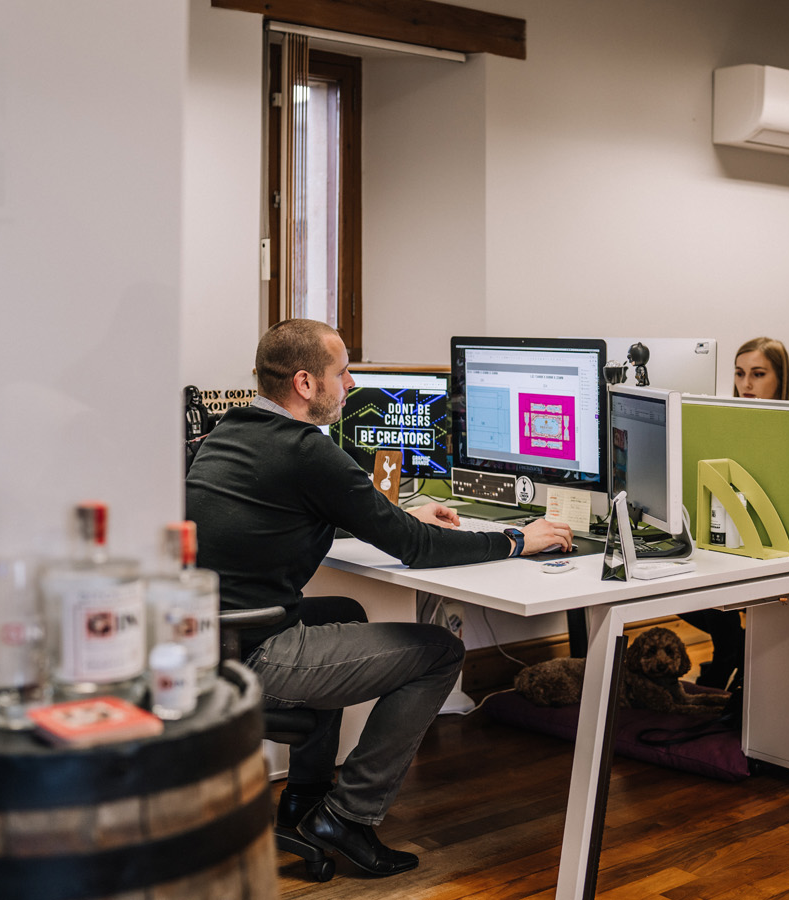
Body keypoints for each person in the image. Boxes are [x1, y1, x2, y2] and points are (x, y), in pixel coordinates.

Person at [186, 319, 571, 877]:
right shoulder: (305, 452)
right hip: (253, 653)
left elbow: (292, 516)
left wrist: (399, 515)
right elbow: (415, 549)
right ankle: (349, 816)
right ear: (304, 383)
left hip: (209, 638)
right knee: (440, 652)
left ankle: (305, 796)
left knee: (342, 613)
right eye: (341, 372)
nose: (350, 384)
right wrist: (517, 539)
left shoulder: (235, 430)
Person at [683, 337, 789, 689]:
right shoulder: (722, 418)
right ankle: (731, 652)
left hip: (779, 539)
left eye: (758, 373)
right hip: (723, 532)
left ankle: (730, 660)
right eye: (739, 373)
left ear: (779, 378)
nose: (746, 384)